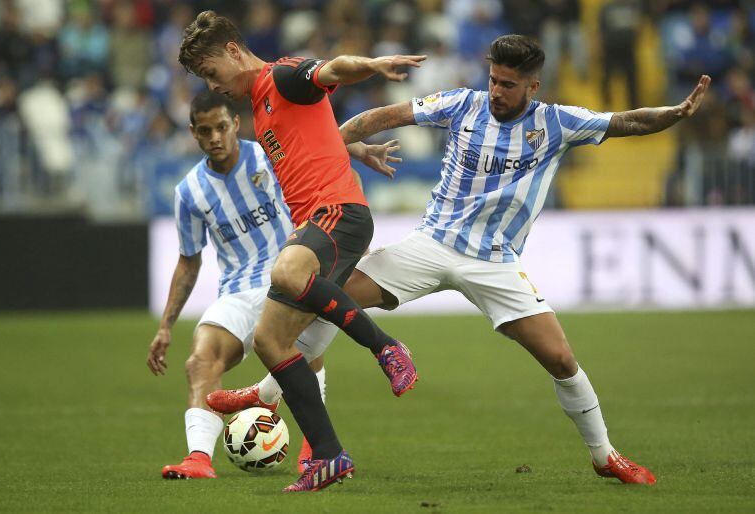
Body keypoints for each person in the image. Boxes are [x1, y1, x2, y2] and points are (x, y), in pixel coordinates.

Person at [212, 35, 711, 485]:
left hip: (494, 261)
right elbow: (379, 117)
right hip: (430, 245)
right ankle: (266, 393)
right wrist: (342, 145)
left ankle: (604, 456)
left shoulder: (556, 123)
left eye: (509, 85)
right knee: (331, 299)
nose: (496, 91)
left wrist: (674, 114)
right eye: (494, 79)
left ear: (532, 87)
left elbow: (625, 121)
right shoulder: (460, 104)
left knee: (560, 359)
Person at [177, 11, 422, 492]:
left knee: (286, 270)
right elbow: (308, 135)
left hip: (338, 214)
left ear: (231, 51)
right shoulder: (260, 107)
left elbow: (332, 69)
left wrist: (372, 64)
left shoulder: (282, 77)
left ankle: (387, 347)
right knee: (269, 342)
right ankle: (329, 456)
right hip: (316, 223)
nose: (213, 84)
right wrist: (355, 149)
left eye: (210, 71)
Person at [147, 91, 396, 480]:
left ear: (236, 124)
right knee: (200, 360)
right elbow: (188, 260)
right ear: (193, 133)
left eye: (222, 127)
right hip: (235, 289)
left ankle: (315, 450)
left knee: (303, 348)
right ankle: (198, 459)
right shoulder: (189, 192)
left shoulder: (268, 156)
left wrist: (359, 151)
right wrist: (165, 325)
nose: (215, 137)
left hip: (287, 271)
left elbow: (326, 162)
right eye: (206, 130)